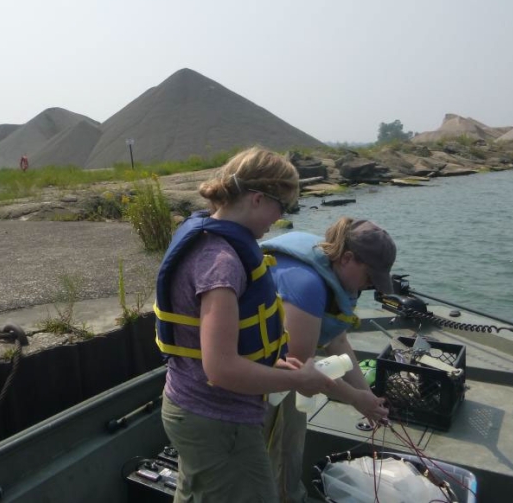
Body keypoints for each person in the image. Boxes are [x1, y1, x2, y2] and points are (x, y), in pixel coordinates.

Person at [156, 147, 337, 503]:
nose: (279, 218)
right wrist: (298, 379)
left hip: (196, 409)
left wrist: (273, 365)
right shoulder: (221, 263)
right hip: (218, 420)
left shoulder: (212, 241)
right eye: (281, 207)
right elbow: (221, 368)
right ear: (256, 199)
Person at [261, 217, 394, 503]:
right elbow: (301, 370)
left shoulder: (337, 274)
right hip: (259, 376)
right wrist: (355, 399)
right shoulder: (306, 284)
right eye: (370, 277)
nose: (370, 286)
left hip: (290, 378)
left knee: (291, 449)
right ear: (347, 258)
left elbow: (338, 341)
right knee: (262, 462)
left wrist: (368, 398)